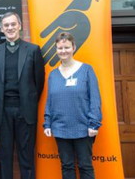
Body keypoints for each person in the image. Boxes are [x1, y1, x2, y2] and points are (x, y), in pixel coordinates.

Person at [0, 12, 45, 179]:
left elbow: (39, 82)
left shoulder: (33, 50)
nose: (10, 28)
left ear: (20, 26)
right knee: (4, 158)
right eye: (6, 25)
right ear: (2, 29)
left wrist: (29, 101)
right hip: (2, 112)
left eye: (13, 24)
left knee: (26, 156)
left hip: (25, 111)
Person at [43, 32, 102, 179]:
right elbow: (50, 100)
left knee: (85, 166)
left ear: (73, 47)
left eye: (67, 47)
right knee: (66, 166)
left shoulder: (87, 70)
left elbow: (95, 98)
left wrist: (94, 123)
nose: (63, 51)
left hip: (83, 128)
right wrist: (47, 123)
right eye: (60, 48)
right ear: (56, 49)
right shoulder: (53, 74)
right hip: (60, 128)